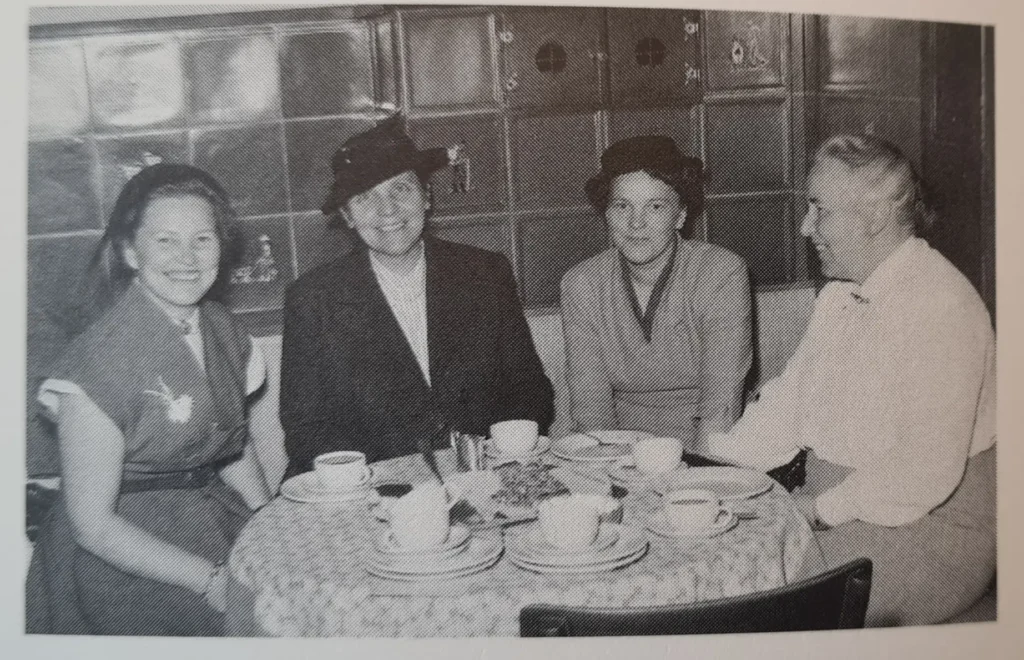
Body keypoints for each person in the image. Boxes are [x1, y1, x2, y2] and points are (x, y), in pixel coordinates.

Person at [707, 134, 996, 626]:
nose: (806, 227)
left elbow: (923, 468)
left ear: (876, 216)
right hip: (842, 509)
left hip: (930, 528)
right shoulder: (839, 298)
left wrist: (819, 509)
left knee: (754, 594)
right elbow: (786, 406)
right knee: (713, 556)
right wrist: (710, 470)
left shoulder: (942, 303)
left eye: (819, 209)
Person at [26, 164, 272, 636]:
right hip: (123, 559)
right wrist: (209, 580)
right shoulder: (96, 365)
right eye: (165, 240)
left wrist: (268, 521)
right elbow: (93, 526)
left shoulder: (223, 329)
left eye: (202, 239)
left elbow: (232, 447)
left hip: (213, 519)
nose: (187, 257)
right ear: (129, 252)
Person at [280, 116, 553, 478]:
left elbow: (529, 391)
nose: (387, 209)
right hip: (372, 489)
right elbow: (307, 428)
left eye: (401, 189)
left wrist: (490, 463)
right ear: (347, 216)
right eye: (365, 197)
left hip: (480, 476)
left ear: (426, 197)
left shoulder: (485, 274)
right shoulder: (314, 299)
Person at [560, 135, 752, 447]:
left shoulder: (720, 273)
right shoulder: (582, 284)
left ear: (680, 215)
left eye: (656, 206)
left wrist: (699, 471)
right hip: (619, 450)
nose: (636, 223)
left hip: (707, 447)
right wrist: (612, 467)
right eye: (622, 206)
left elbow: (720, 408)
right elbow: (591, 410)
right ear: (606, 213)